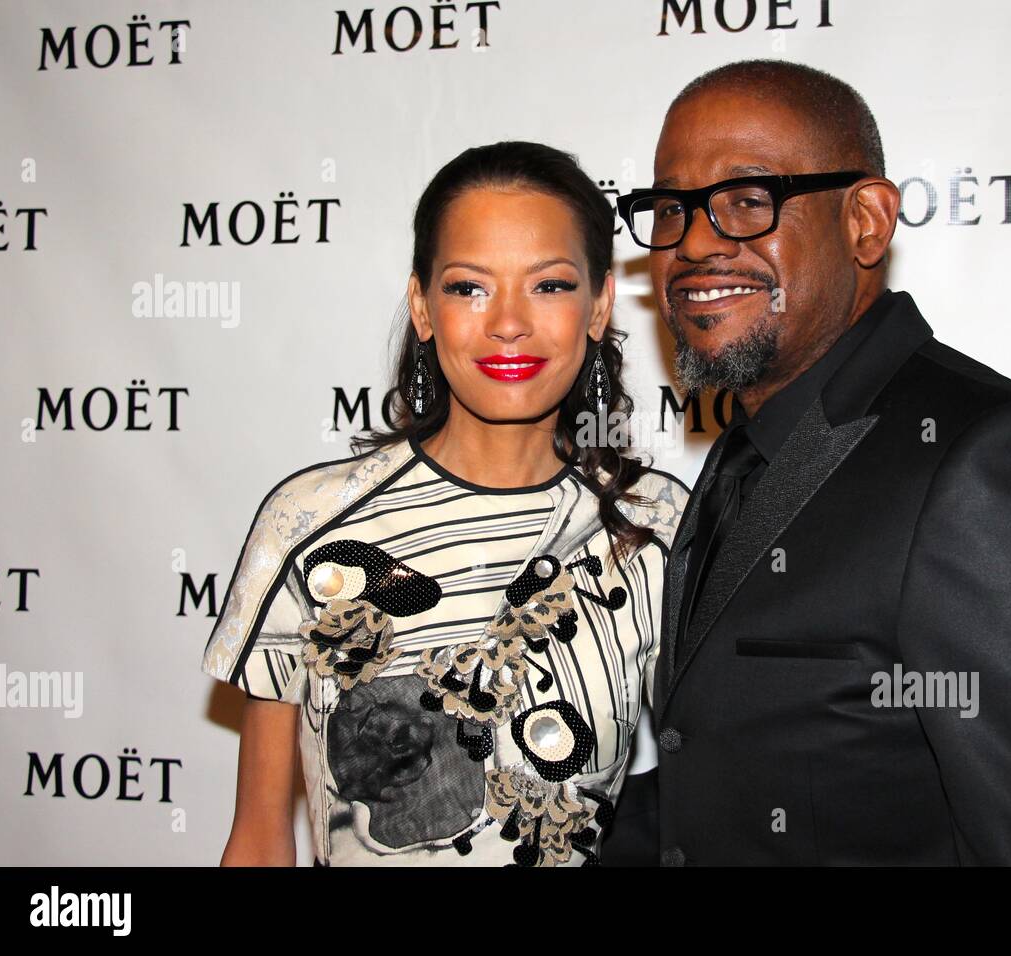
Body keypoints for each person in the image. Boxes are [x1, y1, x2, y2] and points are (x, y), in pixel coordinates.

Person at [615, 59, 1011, 865]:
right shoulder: (748, 450)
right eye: (672, 208)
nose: (695, 242)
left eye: (748, 199)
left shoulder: (998, 466)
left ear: (866, 222)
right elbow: (713, 775)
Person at [201, 141, 688, 867]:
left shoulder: (654, 527)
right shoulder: (306, 525)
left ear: (600, 305)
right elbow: (261, 841)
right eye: (469, 287)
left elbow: (710, 803)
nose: (509, 323)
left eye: (549, 285)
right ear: (423, 308)